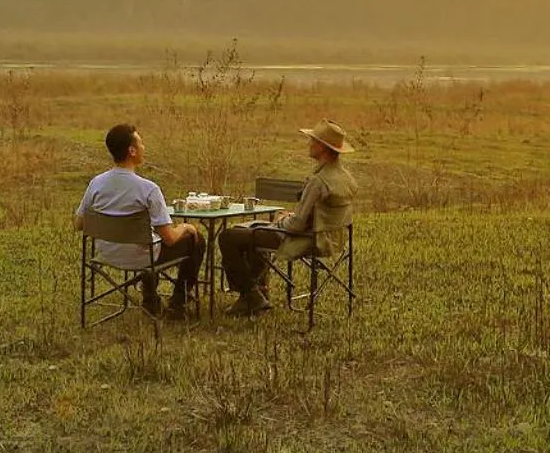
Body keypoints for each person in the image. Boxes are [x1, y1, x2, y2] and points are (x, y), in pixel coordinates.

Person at [219, 119, 358, 316]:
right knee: (250, 232)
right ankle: (259, 290)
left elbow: (296, 226)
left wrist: (280, 220)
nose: (308, 144)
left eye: (313, 141)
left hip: (306, 239)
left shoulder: (318, 181)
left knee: (229, 237)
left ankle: (251, 294)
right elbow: (318, 214)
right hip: (332, 239)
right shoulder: (345, 177)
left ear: (323, 148)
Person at [74, 123, 203, 320]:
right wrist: (186, 227)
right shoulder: (148, 189)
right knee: (196, 240)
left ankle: (151, 298)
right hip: (140, 257)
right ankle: (178, 302)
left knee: (149, 239)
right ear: (132, 151)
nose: (144, 148)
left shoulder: (96, 183)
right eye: (141, 143)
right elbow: (169, 239)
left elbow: (79, 224)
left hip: (106, 253)